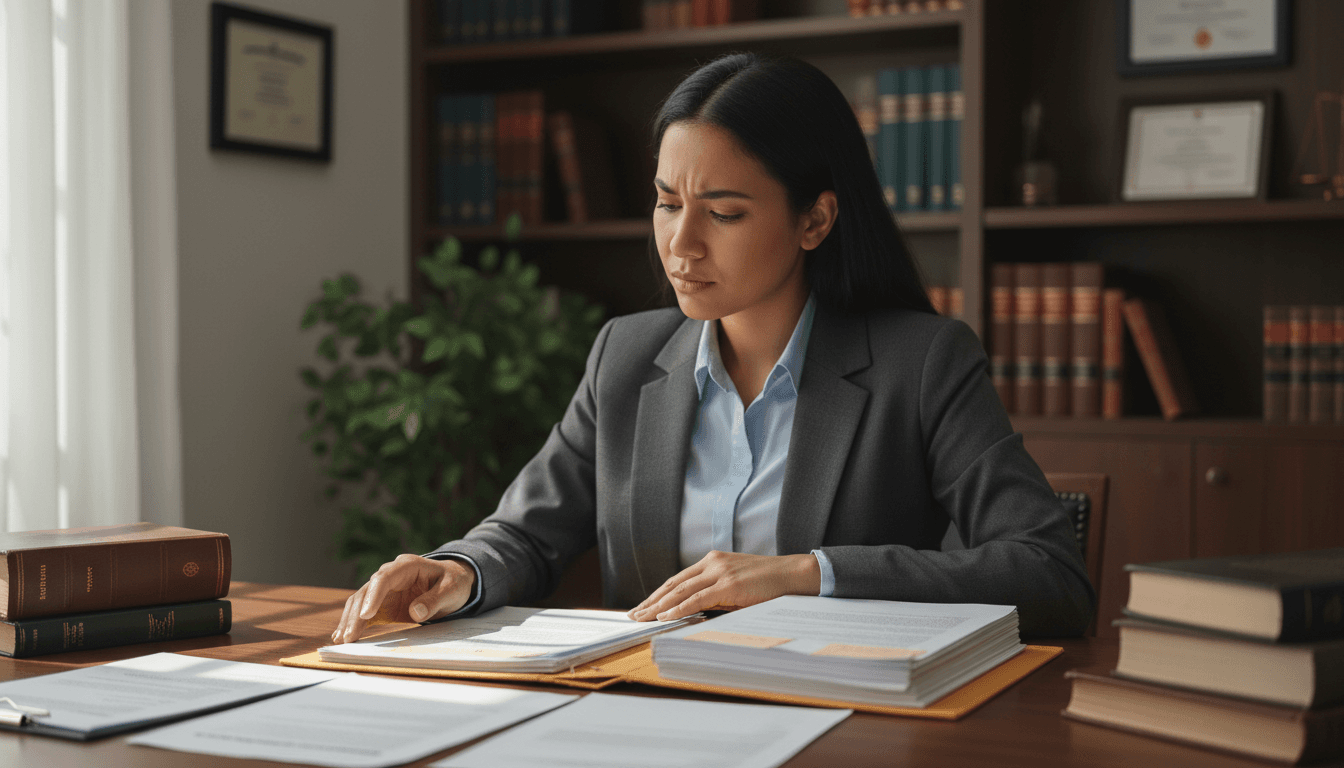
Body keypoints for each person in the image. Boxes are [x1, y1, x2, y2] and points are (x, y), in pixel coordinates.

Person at [331, 53, 1095, 645]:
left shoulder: (923, 362)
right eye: (667, 204)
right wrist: (459, 569)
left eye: (723, 212)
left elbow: (1050, 572)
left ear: (815, 220)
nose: (681, 244)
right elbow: (528, 532)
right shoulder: (625, 355)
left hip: (838, 721)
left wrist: (806, 575)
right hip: (651, 719)